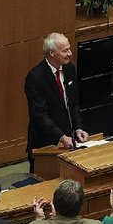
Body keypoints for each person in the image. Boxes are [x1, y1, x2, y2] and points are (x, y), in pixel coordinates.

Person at [25, 33, 87, 168]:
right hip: (46, 144)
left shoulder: (69, 69)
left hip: (70, 141)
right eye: (65, 50)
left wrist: (78, 128)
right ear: (52, 53)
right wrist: (60, 137)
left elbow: (74, 103)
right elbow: (39, 114)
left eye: (69, 49)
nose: (70, 53)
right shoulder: (36, 77)